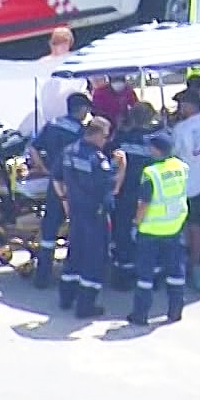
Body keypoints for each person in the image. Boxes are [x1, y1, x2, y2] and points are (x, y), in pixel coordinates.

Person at [56, 117, 121, 318]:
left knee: (74, 254)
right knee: (94, 259)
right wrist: (120, 165)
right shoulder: (97, 159)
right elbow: (110, 186)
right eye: (106, 135)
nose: (107, 140)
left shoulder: (69, 151)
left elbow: (57, 177)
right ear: (97, 134)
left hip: (76, 211)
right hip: (95, 214)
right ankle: (86, 306)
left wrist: (65, 201)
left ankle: (66, 298)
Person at [126, 132, 190, 326]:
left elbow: (144, 203)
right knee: (176, 272)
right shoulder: (182, 167)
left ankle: (140, 315)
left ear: (158, 150)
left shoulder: (151, 173)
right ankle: (175, 311)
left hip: (151, 230)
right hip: (175, 227)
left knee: (145, 275)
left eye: (151, 147)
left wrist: (136, 223)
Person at [29, 90, 91, 289]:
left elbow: (33, 148)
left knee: (50, 227)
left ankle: (42, 274)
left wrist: (43, 168)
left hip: (54, 181)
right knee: (76, 227)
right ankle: (73, 272)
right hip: (74, 184)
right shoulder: (81, 132)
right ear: (82, 109)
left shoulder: (53, 123)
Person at [110, 101, 163, 288]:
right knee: (149, 236)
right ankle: (153, 276)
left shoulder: (122, 138)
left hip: (125, 193)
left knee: (123, 234)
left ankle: (123, 277)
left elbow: (111, 161)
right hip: (150, 195)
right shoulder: (157, 140)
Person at [172, 88, 200, 275]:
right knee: (197, 225)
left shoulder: (181, 129)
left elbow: (173, 152)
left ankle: (190, 263)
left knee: (189, 226)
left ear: (187, 105)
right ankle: (195, 261)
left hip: (186, 185)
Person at [35, 26, 88, 131]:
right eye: (57, 42)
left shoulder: (75, 59)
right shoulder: (43, 63)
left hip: (71, 109)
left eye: (64, 41)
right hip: (50, 108)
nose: (61, 45)